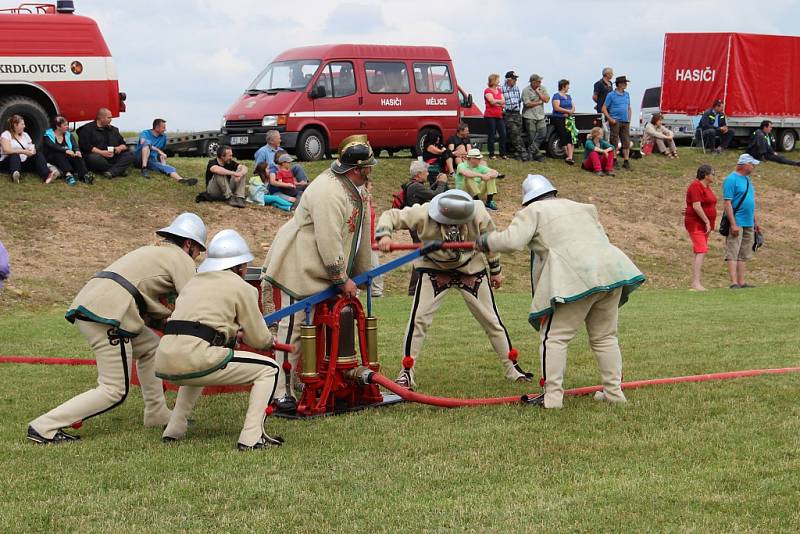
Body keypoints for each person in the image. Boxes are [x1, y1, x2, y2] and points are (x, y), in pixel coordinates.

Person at [27, 213, 207, 444]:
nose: (198, 255)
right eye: (198, 249)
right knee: (114, 390)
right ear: (188, 243)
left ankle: (157, 413)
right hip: (110, 314)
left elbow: (144, 297)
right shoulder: (180, 258)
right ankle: (44, 427)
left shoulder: (152, 251)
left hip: (101, 305)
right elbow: (194, 299)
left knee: (152, 348)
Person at [475, 174, 645, 409]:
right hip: (610, 272)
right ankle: (614, 393)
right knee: (605, 337)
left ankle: (552, 398)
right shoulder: (583, 208)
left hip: (574, 278)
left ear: (529, 199)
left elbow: (512, 242)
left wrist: (484, 241)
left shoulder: (533, 212)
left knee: (554, 337)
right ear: (552, 192)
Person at [262, 134, 374, 413]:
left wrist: (362, 274)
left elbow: (358, 235)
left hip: (319, 268)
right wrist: (342, 278)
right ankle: (278, 391)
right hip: (297, 265)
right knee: (292, 331)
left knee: (313, 328)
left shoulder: (354, 188)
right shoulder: (328, 191)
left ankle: (309, 379)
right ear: (356, 169)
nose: (370, 173)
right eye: (367, 168)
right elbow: (328, 238)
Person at [376, 189, 531, 389]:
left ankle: (513, 367)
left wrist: (495, 270)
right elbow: (391, 215)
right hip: (434, 267)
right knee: (419, 320)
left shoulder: (479, 212)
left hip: (471, 268)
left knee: (492, 320)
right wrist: (384, 236)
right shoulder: (423, 213)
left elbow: (491, 242)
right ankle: (406, 371)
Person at [156, 229, 283, 451]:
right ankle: (251, 437)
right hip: (197, 354)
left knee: (197, 368)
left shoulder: (193, 283)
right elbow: (258, 338)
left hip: (165, 357)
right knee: (269, 368)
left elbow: (202, 324)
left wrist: (230, 334)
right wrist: (268, 340)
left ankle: (174, 429)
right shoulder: (242, 287)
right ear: (240, 266)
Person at [404, 160, 450, 294]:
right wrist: (441, 183)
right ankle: (414, 289)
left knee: (424, 256)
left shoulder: (414, 186)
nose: (428, 174)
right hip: (418, 227)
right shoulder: (416, 187)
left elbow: (428, 192)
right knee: (421, 257)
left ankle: (420, 287)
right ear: (418, 175)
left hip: (417, 225)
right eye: (426, 172)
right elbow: (436, 196)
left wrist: (437, 182)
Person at [722, 154, 759, 289]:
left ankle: (742, 282)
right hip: (737, 221)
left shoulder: (747, 179)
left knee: (744, 252)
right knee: (733, 251)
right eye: (751, 164)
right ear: (744, 164)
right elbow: (727, 203)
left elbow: (750, 201)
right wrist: (733, 224)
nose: (753, 166)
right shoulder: (731, 179)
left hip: (749, 222)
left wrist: (755, 222)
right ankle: (733, 282)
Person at [134, 118, 197, 186]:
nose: (165, 129)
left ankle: (182, 180)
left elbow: (161, 150)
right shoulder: (145, 133)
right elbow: (144, 143)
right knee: (147, 142)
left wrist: (162, 159)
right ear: (157, 128)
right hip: (138, 158)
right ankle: (144, 168)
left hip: (151, 160)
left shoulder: (163, 137)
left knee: (166, 167)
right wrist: (159, 151)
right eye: (163, 128)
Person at [684, 165, 717, 291]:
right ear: (706, 175)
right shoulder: (696, 186)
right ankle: (695, 283)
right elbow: (696, 206)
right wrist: (706, 221)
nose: (714, 176)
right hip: (696, 223)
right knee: (701, 249)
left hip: (705, 224)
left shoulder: (707, 187)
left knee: (701, 250)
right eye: (712, 173)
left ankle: (696, 282)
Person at [77, 107, 135, 178]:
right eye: (109, 118)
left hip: (112, 155)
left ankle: (111, 172)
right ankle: (119, 170)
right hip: (98, 156)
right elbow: (85, 146)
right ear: (101, 118)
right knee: (93, 158)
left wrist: (119, 148)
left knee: (129, 155)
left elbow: (123, 143)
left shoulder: (113, 130)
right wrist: (101, 152)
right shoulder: (87, 129)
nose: (111, 120)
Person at [1, 114, 54, 184]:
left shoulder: (25, 135)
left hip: (24, 161)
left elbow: (31, 146)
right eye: (22, 124)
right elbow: (6, 150)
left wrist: (32, 151)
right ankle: (15, 175)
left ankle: (47, 175)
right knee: (15, 155)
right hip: (9, 162)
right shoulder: (6, 134)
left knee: (38, 154)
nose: (24, 126)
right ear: (15, 125)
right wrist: (24, 151)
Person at [42, 115, 92, 185]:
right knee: (59, 154)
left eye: (67, 125)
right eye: (65, 125)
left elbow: (75, 145)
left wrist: (77, 151)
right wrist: (65, 150)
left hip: (67, 156)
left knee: (77, 156)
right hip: (52, 157)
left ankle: (84, 175)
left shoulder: (68, 134)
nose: (67, 127)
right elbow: (52, 146)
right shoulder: (48, 134)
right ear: (58, 126)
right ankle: (68, 175)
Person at [602, 76, 633, 170]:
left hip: (625, 121)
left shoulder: (627, 94)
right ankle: (614, 160)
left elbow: (628, 107)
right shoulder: (611, 95)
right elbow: (604, 108)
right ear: (619, 84)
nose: (626, 84)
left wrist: (629, 119)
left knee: (626, 141)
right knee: (614, 140)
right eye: (624, 83)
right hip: (615, 121)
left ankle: (626, 161)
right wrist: (610, 119)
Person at [521, 73, 549, 162]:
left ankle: (530, 151)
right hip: (529, 116)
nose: (540, 83)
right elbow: (527, 104)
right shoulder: (526, 90)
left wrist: (539, 93)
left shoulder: (542, 88)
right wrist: (539, 102)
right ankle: (536, 155)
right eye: (538, 81)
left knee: (543, 133)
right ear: (533, 82)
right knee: (531, 136)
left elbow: (547, 99)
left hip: (540, 116)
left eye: (540, 81)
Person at [502, 70, 527, 161]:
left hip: (517, 113)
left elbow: (519, 101)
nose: (515, 80)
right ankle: (523, 152)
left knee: (518, 135)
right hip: (508, 114)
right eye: (514, 79)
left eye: (515, 79)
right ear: (508, 79)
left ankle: (517, 154)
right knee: (514, 133)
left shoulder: (516, 88)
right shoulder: (501, 89)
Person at [366, 178, 384, 298]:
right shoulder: (360, 200)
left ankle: (376, 292)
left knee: (376, 269)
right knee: (375, 269)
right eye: (371, 185)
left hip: (372, 241)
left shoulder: (368, 200)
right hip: (365, 242)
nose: (372, 187)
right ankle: (376, 292)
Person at [551, 79, 575, 165]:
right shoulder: (556, 96)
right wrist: (567, 111)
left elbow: (573, 106)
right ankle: (567, 155)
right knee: (563, 135)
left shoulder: (568, 96)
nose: (569, 87)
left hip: (568, 119)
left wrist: (570, 111)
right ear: (563, 86)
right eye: (568, 85)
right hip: (559, 118)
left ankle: (570, 156)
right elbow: (556, 107)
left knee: (570, 136)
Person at [483, 73, 507, 159]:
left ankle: (502, 153)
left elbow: (503, 101)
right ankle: (492, 154)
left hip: (499, 116)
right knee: (491, 135)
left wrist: (498, 102)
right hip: (490, 116)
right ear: (493, 81)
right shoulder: (487, 91)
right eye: (497, 79)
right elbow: (491, 101)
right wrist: (499, 102)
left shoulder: (499, 90)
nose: (499, 81)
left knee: (503, 134)